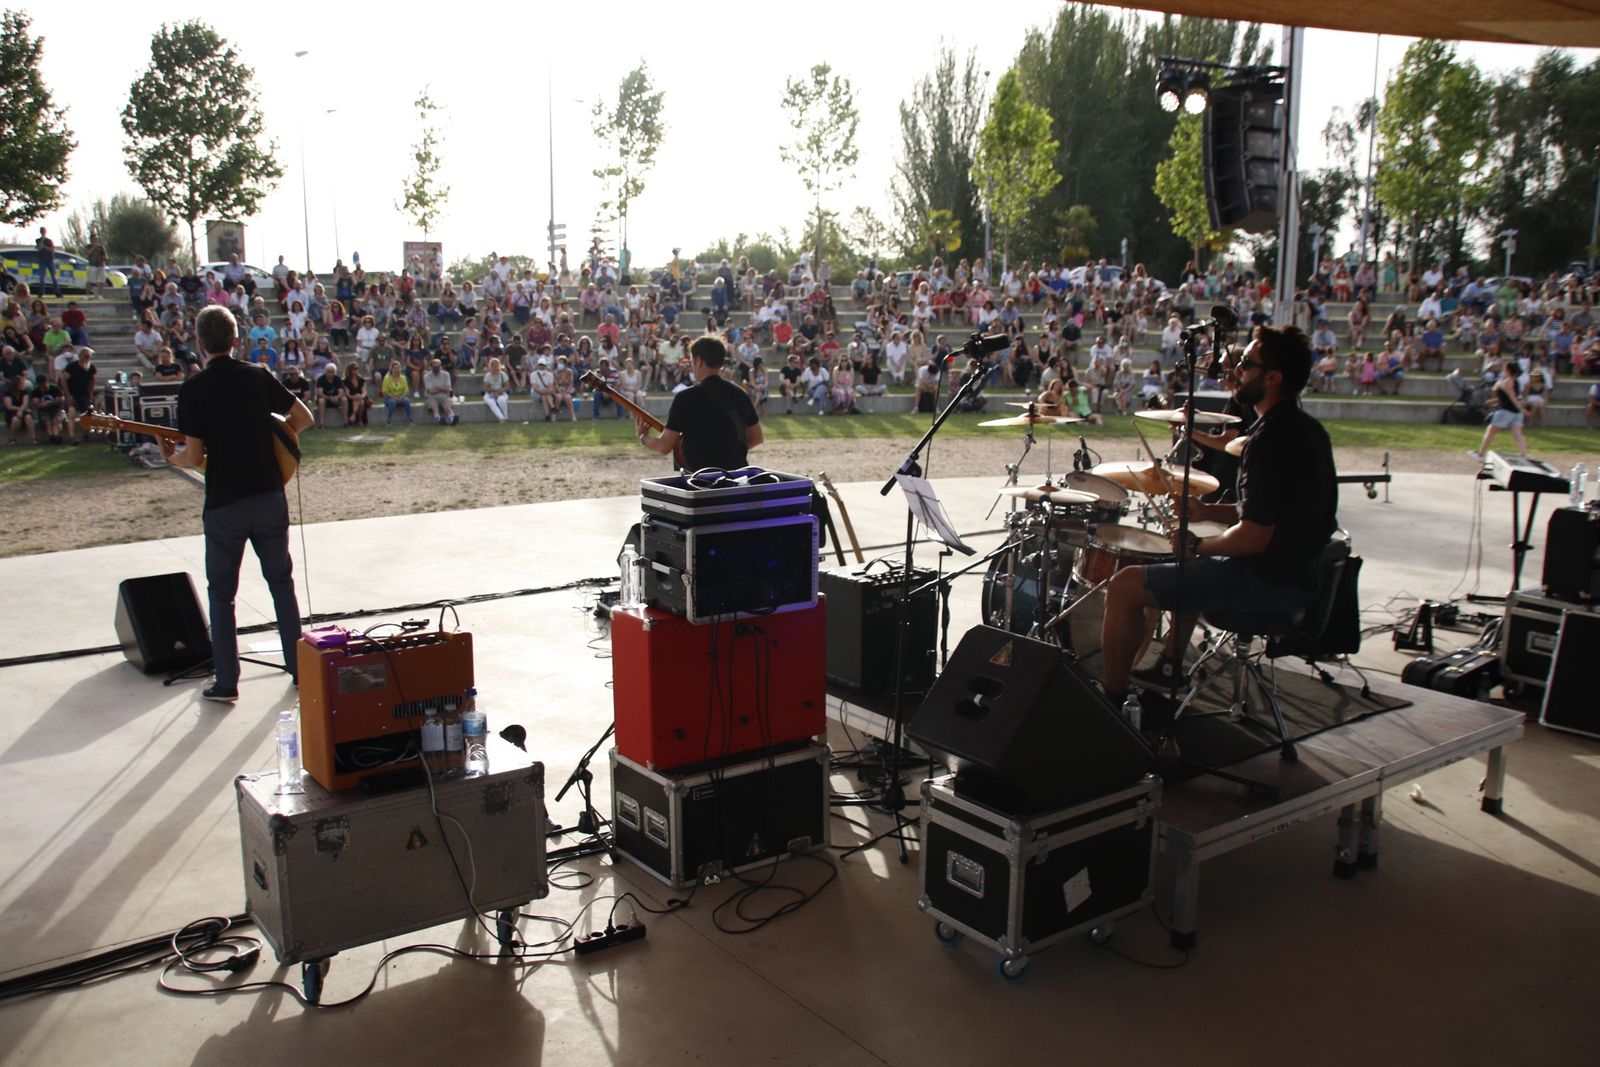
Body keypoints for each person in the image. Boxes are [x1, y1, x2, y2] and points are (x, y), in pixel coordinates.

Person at [1099, 325, 1338, 709]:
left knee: (1126, 586)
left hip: (1269, 581)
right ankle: (1170, 665)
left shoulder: (1267, 443)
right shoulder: (1308, 431)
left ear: (1272, 378)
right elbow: (1275, 513)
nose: (1237, 370)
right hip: (1301, 575)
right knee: (1194, 563)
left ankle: (1110, 700)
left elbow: (1253, 537)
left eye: (1246, 364)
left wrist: (1196, 542)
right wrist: (1208, 511)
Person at [162, 305, 312, 702]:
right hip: (267, 496)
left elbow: (194, 457)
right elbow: (303, 416)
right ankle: (300, 670)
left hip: (225, 504)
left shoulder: (192, 389)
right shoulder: (257, 375)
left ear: (198, 343)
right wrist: (279, 437)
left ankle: (227, 681)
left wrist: (171, 457)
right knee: (281, 583)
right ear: (235, 340)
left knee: (222, 594)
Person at [637, 334, 763, 471]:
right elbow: (756, 438)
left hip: (702, 482)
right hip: (737, 478)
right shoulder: (740, 394)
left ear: (698, 361)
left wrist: (643, 436)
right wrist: (730, 450)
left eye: (691, 361)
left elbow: (663, 446)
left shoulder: (685, 398)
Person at [1467, 360, 1530, 460]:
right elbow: (1507, 398)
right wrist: (1494, 401)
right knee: (1517, 434)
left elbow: (1512, 397)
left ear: (1509, 370)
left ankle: (1481, 454)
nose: (1503, 370)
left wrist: (1522, 409)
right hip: (1515, 413)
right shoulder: (1514, 381)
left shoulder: (1507, 381)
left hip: (1506, 412)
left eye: (1505, 368)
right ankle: (1524, 455)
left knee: (1491, 431)